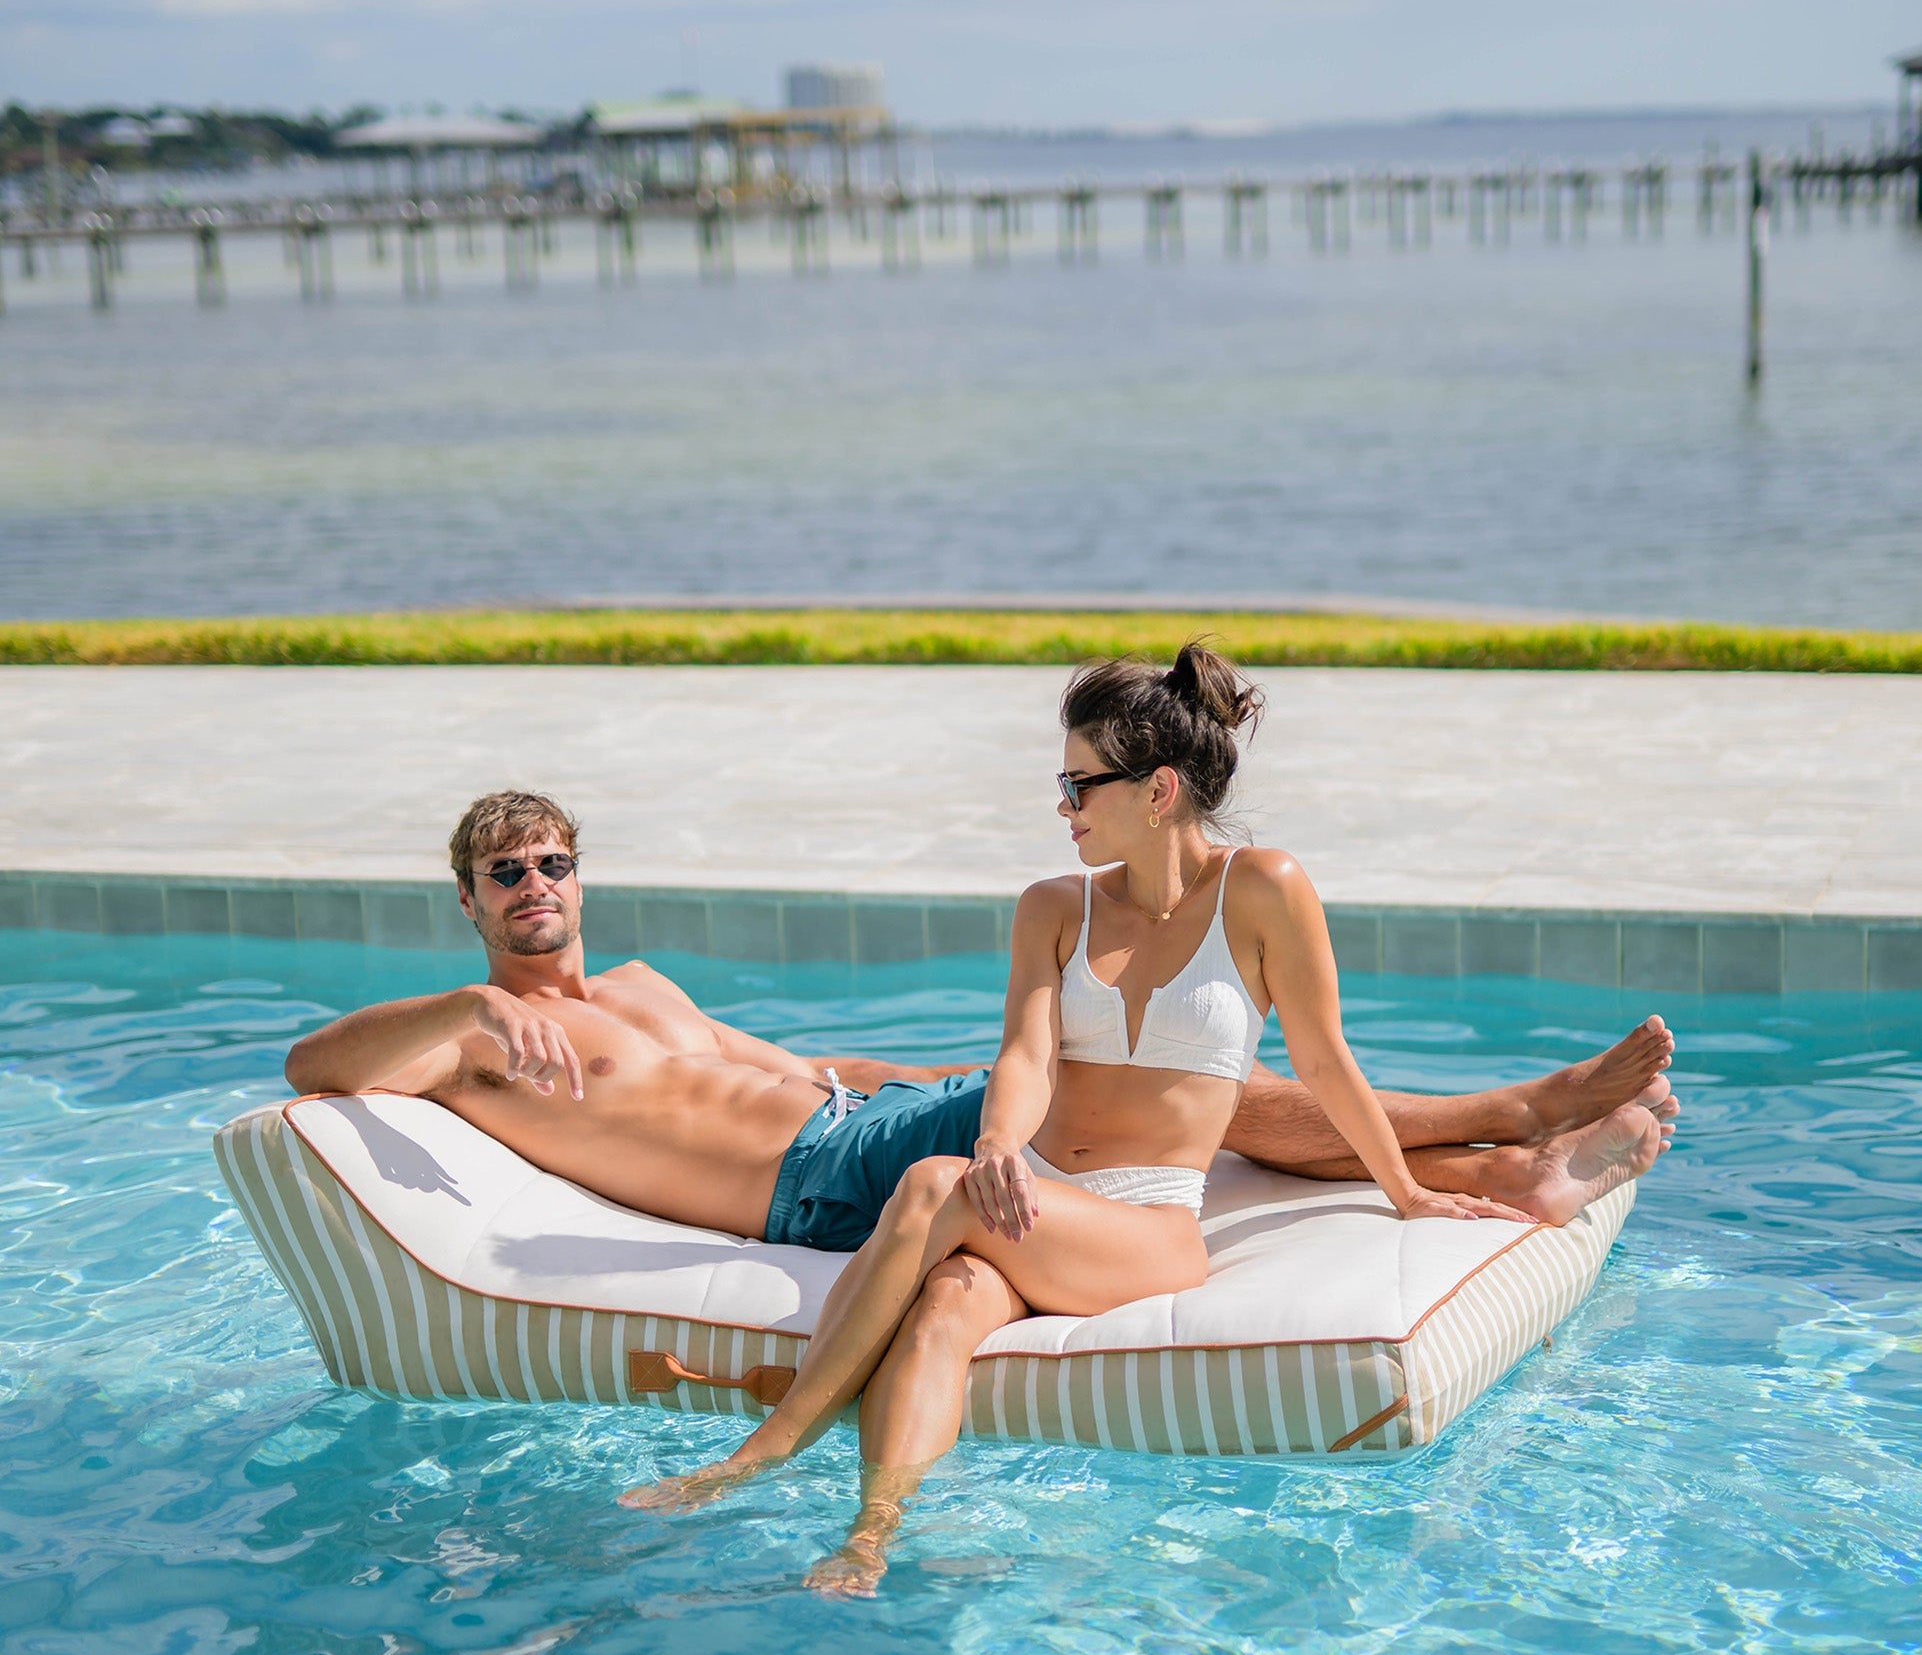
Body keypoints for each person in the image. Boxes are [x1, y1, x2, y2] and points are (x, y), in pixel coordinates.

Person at [626, 648, 1672, 1596]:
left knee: (927, 1184)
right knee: (946, 1296)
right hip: (1030, 1193)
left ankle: (762, 1450)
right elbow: (1027, 1055)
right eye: (1062, 783)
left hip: (1144, 1221)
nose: (1064, 806)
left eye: (1079, 783)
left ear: (1158, 790)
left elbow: (1321, 1061)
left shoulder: (1261, 890)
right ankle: (871, 1532)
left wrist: (1400, 1187)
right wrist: (995, 1143)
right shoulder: (1052, 905)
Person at [284, 791, 1676, 1246]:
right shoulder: (476, 1032)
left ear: (579, 873)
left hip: (853, 1122)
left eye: (551, 862)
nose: (536, 886)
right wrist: (472, 1002)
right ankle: (1510, 1125)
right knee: (1122, 1075)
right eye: (505, 874)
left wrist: (939, 1074)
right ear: (469, 902)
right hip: (810, 1189)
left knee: (1107, 1075)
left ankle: (1496, 1163)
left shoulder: (642, 989)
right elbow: (312, 1066)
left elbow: (803, 1066)